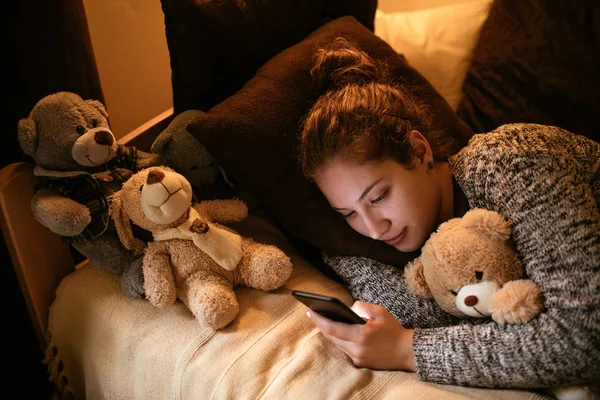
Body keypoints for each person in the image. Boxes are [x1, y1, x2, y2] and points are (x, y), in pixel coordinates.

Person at [297, 37, 600, 390]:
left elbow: (585, 333)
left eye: (379, 196)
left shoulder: (508, 162)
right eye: (348, 213)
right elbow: (446, 322)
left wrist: (405, 349)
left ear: (419, 150)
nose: (374, 229)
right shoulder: (411, 249)